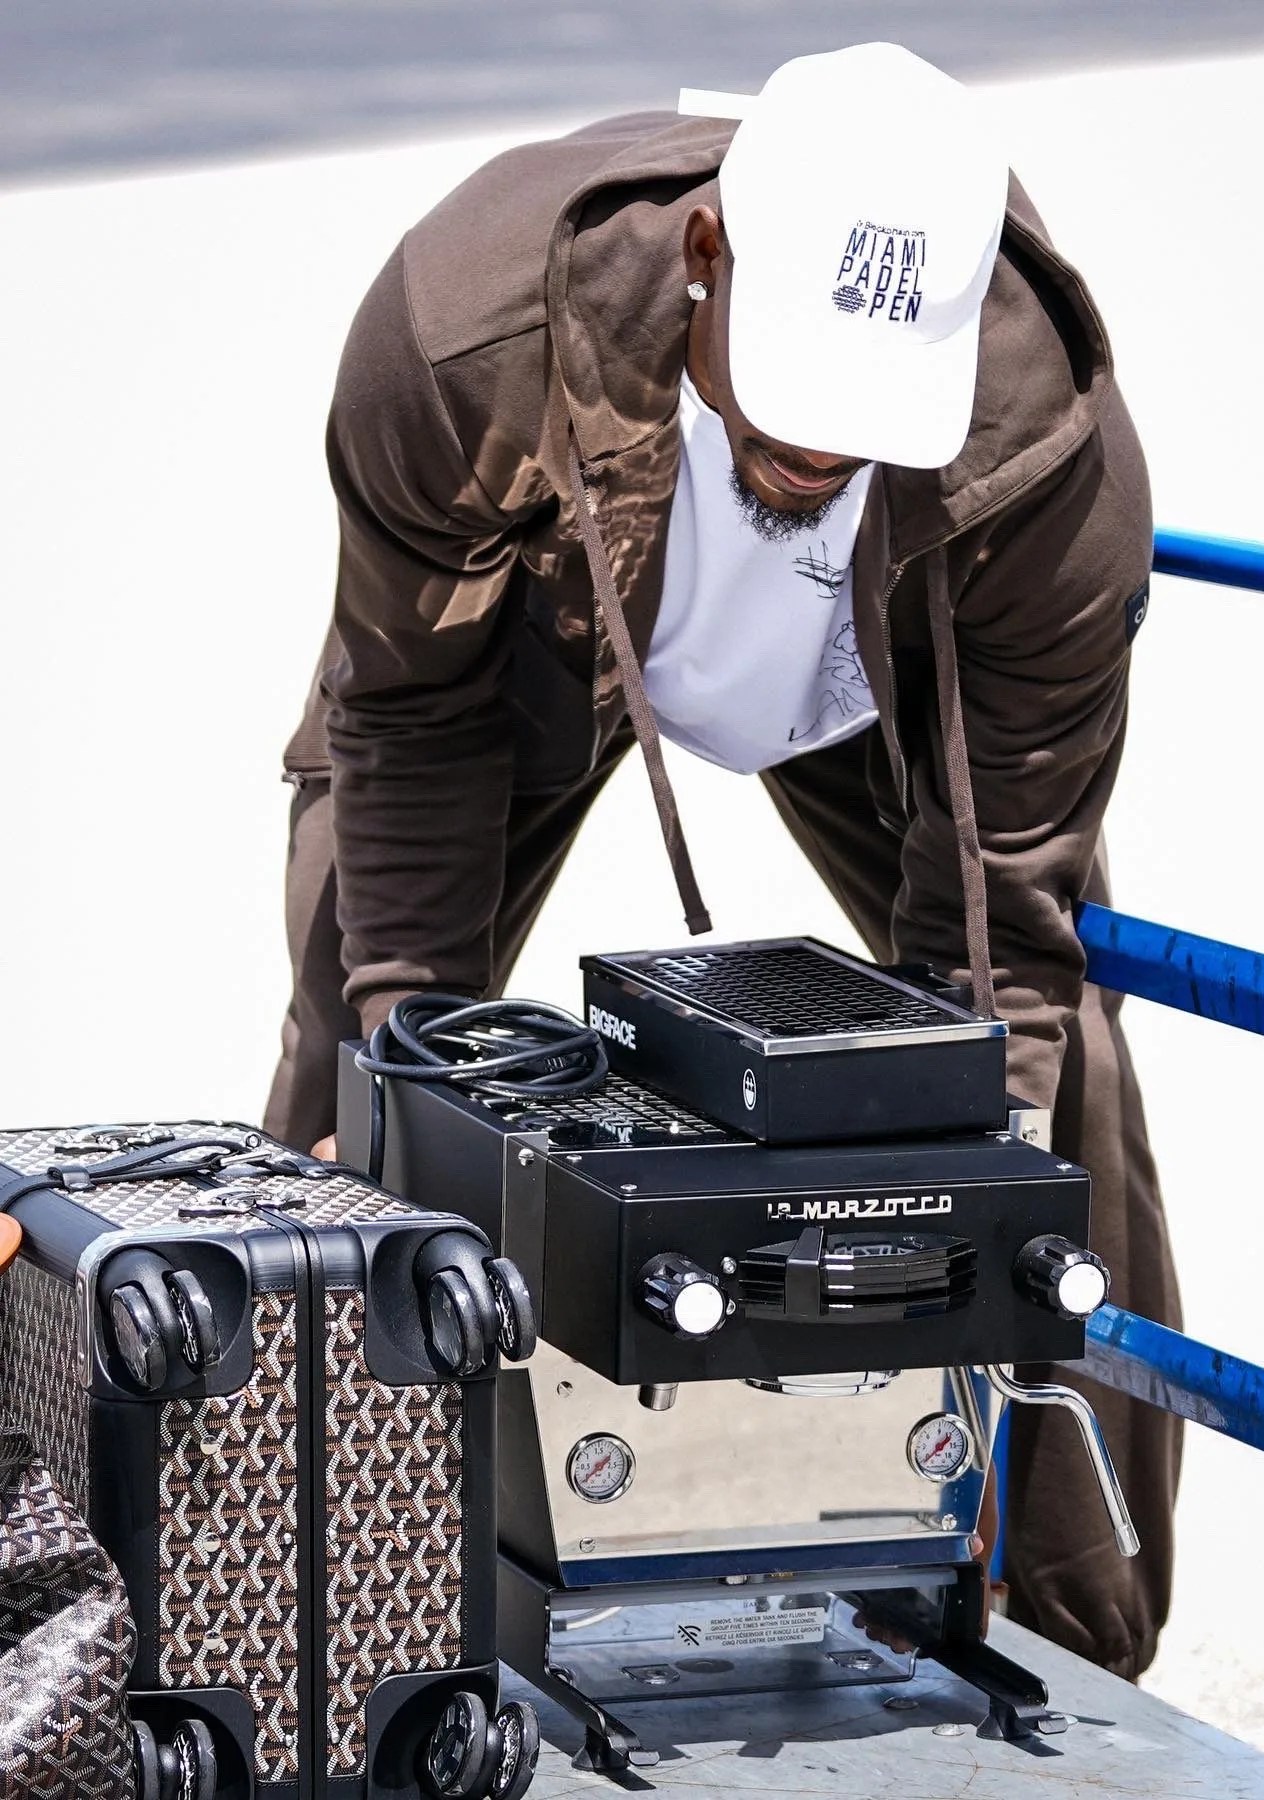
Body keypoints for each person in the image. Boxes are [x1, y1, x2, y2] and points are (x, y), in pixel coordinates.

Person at [265, 42, 1182, 1680]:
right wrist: (410, 1072)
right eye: (798, 386)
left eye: (871, 408)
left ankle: (1070, 1639)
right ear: (708, 258)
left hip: (880, 665)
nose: (821, 447)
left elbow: (1011, 907)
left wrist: (964, 1178)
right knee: (362, 1078)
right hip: (536, 637)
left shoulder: (1055, 473)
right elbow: (407, 723)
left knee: (1051, 1102)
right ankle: (318, 1610)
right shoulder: (457, 343)